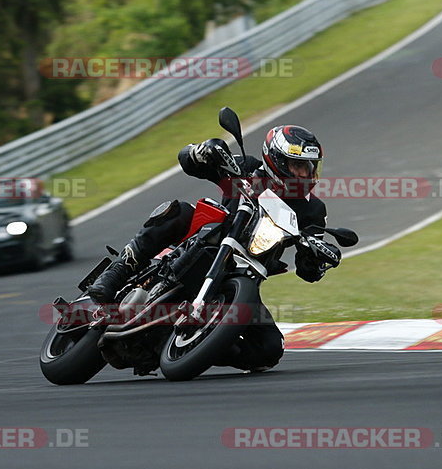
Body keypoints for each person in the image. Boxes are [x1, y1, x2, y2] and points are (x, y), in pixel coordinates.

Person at [87, 124, 342, 370]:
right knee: (178, 212)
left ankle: (200, 345)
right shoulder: (247, 168)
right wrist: (202, 152)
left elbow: (307, 271)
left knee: (268, 350)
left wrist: (318, 259)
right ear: (276, 160)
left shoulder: (313, 210)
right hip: (206, 242)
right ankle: (116, 272)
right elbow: (187, 160)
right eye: (297, 165)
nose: (304, 174)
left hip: (244, 274)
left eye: (309, 167)